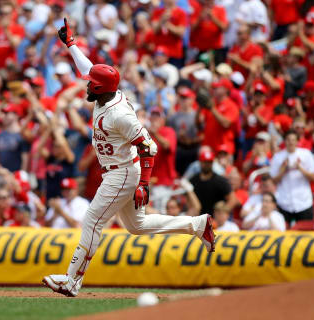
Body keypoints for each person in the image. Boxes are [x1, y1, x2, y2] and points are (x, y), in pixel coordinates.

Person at [43, 18, 215, 297]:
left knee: (92, 221)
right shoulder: (105, 93)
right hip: (119, 168)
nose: (86, 86)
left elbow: (150, 147)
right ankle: (198, 224)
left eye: (90, 84)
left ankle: (72, 280)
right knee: (137, 226)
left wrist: (143, 184)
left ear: (99, 89)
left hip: (122, 171)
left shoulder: (119, 115)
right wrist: (71, 44)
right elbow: (88, 68)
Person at [269, 130, 314, 224]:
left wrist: (300, 168)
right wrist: (283, 169)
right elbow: (273, 180)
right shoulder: (278, 157)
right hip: (284, 202)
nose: (290, 142)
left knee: (305, 233)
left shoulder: (306, 154)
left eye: (293, 140)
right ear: (284, 141)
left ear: (297, 141)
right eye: (288, 140)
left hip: (303, 201)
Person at [189, 148, 236, 214]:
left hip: (215, 221)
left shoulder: (220, 181)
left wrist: (221, 214)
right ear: (200, 162)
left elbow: (232, 199)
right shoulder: (193, 181)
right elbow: (188, 201)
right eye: (205, 162)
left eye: (209, 162)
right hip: (198, 219)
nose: (207, 165)